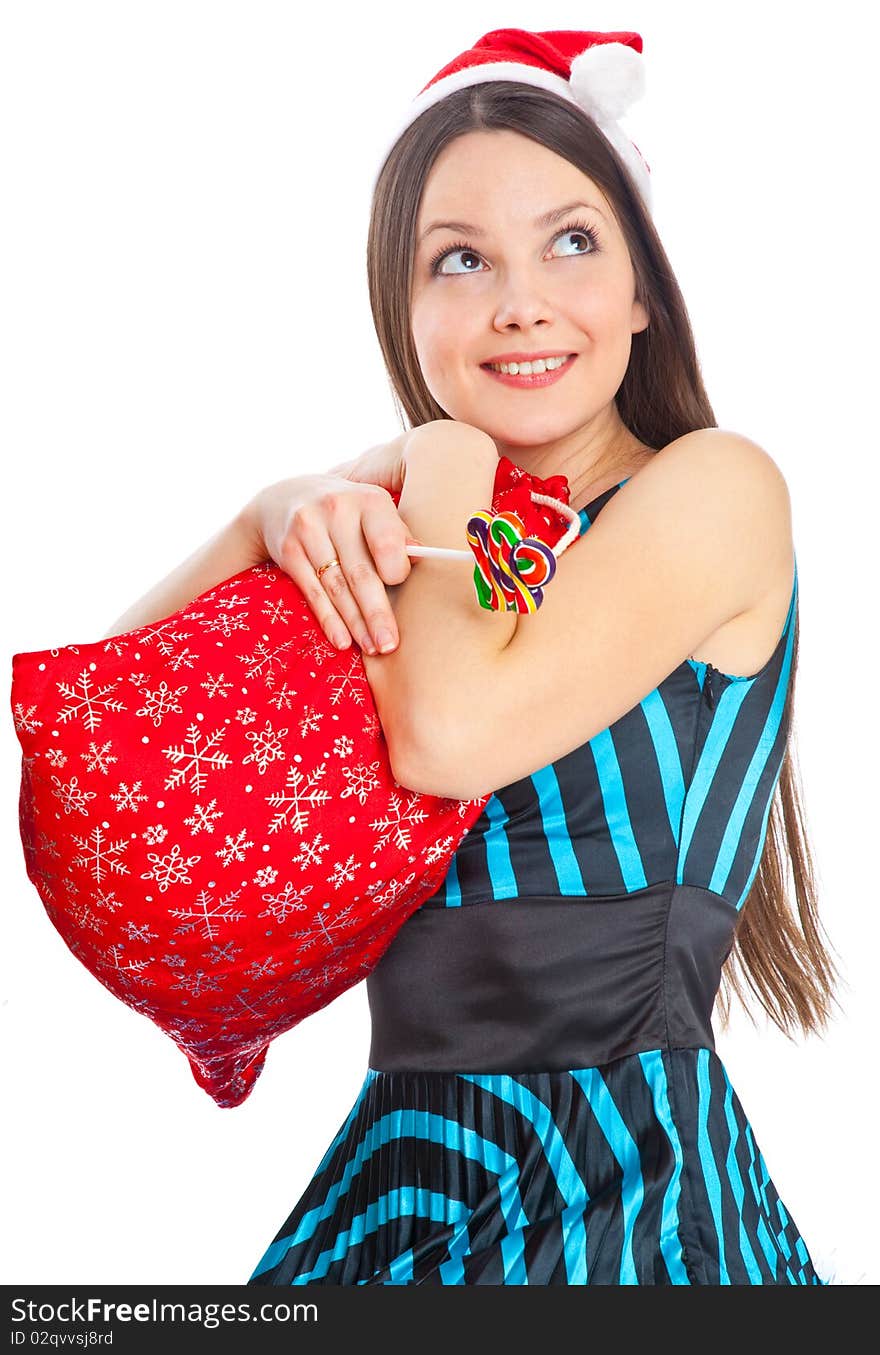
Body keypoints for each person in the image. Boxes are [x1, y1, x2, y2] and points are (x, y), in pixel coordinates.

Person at [109, 28, 840, 1284]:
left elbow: (447, 736)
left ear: (644, 288)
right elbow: (106, 757)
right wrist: (261, 519)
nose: (520, 302)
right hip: (394, 1185)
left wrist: (434, 458)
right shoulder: (409, 534)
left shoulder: (715, 490)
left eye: (572, 241)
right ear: (405, 302)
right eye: (461, 259)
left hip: (628, 1204)